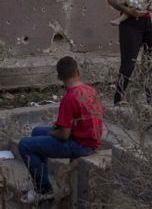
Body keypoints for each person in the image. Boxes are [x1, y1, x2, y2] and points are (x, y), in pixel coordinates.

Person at [18, 56, 103, 204]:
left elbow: (64, 135)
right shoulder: (91, 90)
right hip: (88, 139)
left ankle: (44, 190)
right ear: (78, 71)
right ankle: (39, 177)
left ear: (59, 77)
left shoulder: (69, 98)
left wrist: (53, 132)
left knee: (24, 145)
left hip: (81, 146)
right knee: (37, 131)